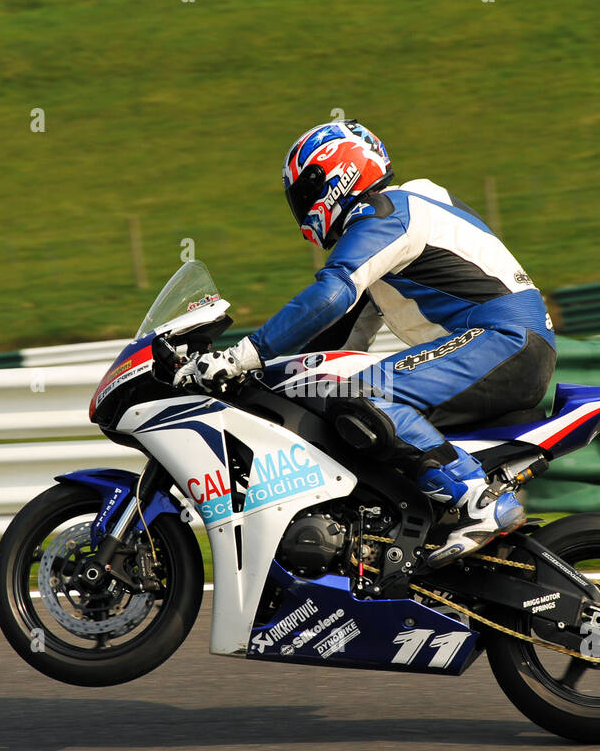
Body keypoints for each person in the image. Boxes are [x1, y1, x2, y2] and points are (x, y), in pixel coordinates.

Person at [175, 119, 557, 566]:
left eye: (304, 193)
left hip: (503, 341)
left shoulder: (387, 212)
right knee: (341, 397)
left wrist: (242, 354)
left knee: (363, 395)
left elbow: (331, 294)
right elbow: (338, 344)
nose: (302, 211)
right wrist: (261, 378)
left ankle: (478, 500)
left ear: (334, 177)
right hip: (505, 345)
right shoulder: (404, 219)